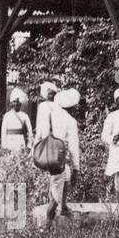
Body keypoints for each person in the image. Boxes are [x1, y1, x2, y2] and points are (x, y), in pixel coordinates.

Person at [39, 87, 80, 225]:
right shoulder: (71, 121)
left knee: (65, 176)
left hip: (48, 155)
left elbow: (42, 135)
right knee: (56, 193)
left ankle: (64, 207)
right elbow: (74, 148)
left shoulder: (51, 114)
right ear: (72, 107)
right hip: (59, 159)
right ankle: (47, 224)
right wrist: (76, 169)